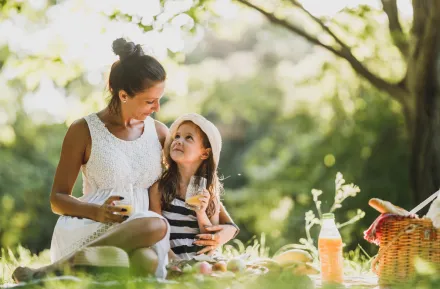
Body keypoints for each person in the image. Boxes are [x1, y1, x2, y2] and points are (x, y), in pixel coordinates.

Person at [13, 38, 238, 281]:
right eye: (150, 101)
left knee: (148, 261)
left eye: (159, 99)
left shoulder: (159, 133)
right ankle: (59, 267)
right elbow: (57, 200)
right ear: (123, 95)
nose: (157, 108)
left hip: (143, 237)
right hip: (93, 226)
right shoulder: (83, 130)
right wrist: (98, 212)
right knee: (156, 225)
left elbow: (192, 181)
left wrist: (228, 230)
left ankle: (56, 275)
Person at [149, 113, 236, 260]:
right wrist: (174, 263)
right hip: (171, 259)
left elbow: (210, 241)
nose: (178, 141)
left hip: (203, 260)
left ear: (205, 153)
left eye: (188, 138)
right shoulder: (159, 189)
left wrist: (201, 213)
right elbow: (156, 234)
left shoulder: (209, 194)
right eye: (177, 136)